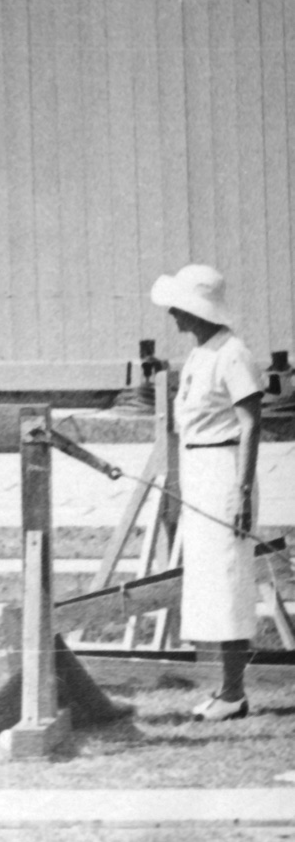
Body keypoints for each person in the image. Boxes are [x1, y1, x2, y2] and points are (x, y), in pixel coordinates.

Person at [150, 264, 263, 721]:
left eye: (178, 307)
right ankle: (225, 688)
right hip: (199, 469)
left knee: (229, 578)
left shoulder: (233, 352)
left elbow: (252, 422)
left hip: (225, 469)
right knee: (209, 584)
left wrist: (241, 490)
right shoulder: (200, 353)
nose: (173, 316)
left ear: (197, 309)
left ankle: (234, 692)